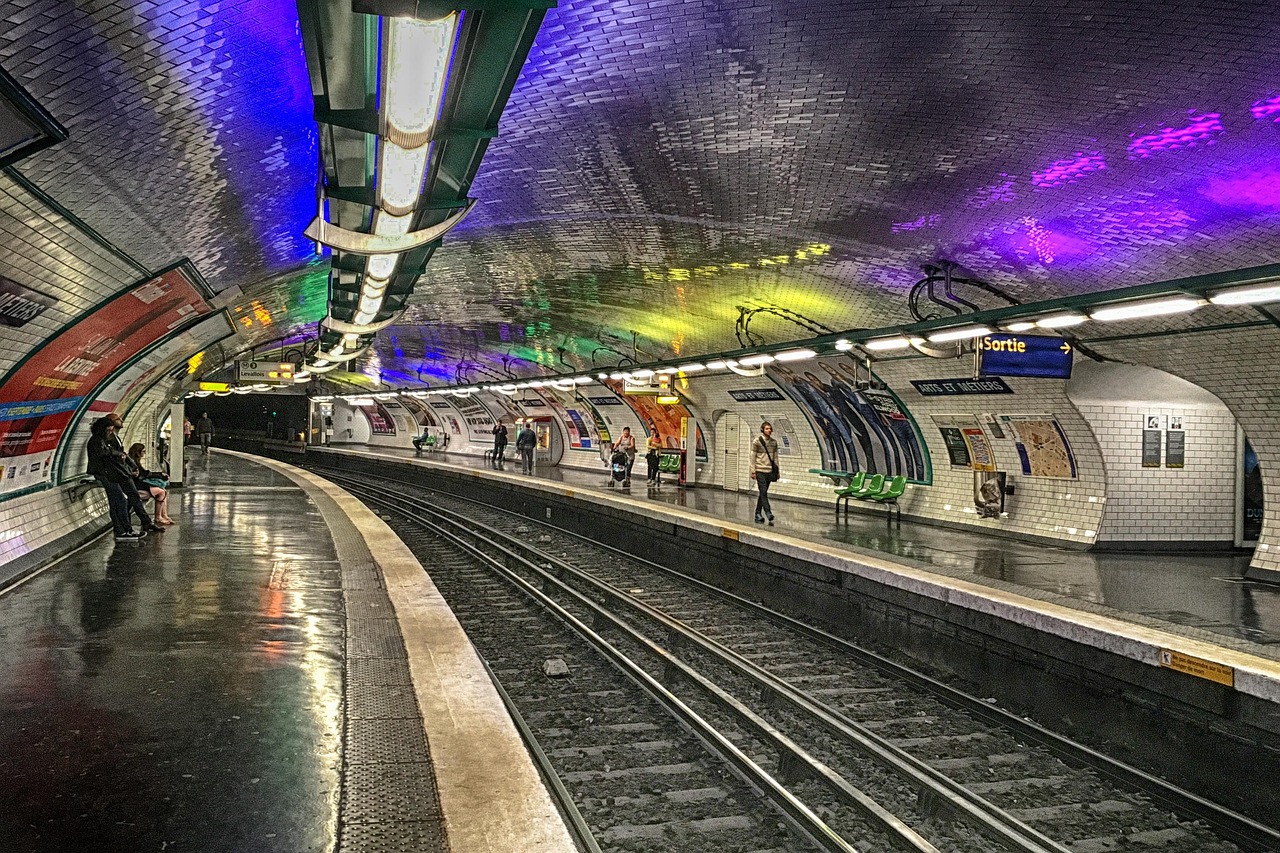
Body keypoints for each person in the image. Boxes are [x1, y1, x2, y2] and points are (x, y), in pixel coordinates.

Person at [88, 416, 145, 541]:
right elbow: (104, 453)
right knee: (120, 500)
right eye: (108, 430)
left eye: (111, 430)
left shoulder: (103, 440)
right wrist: (118, 454)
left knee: (116, 501)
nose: (110, 432)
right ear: (102, 429)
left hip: (110, 473)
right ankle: (125, 530)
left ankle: (122, 530)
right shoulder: (96, 441)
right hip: (104, 474)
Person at [107, 413, 163, 534]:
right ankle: (123, 529)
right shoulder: (107, 439)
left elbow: (123, 455)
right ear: (110, 423)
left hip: (122, 473)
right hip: (115, 474)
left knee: (129, 498)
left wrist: (132, 467)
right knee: (119, 501)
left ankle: (139, 524)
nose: (121, 420)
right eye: (118, 419)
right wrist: (129, 470)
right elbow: (114, 457)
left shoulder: (115, 437)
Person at [126, 443, 175, 525]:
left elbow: (144, 473)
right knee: (161, 492)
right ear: (138, 452)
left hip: (137, 484)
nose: (144, 453)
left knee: (163, 491)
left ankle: (163, 515)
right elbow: (142, 474)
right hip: (136, 486)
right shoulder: (133, 462)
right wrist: (159, 475)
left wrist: (159, 475)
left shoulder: (134, 460)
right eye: (143, 451)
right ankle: (158, 517)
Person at [750, 421, 780, 526]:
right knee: (763, 491)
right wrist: (753, 471)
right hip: (760, 470)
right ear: (762, 430)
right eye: (767, 428)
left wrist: (777, 472)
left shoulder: (774, 442)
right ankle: (768, 512)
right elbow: (752, 457)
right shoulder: (757, 441)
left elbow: (775, 458)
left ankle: (757, 513)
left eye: (770, 428)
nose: (769, 430)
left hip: (769, 471)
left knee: (763, 493)